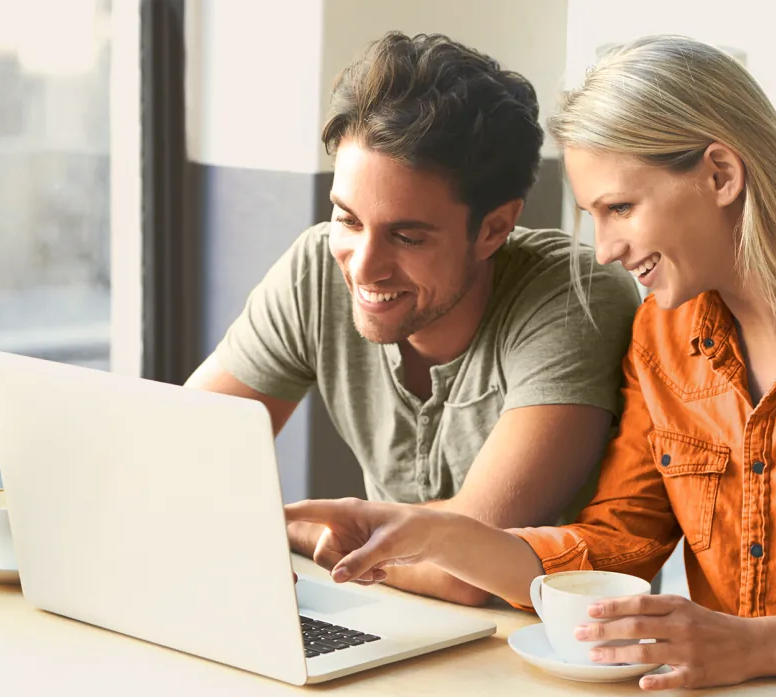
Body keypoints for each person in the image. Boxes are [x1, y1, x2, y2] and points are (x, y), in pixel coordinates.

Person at [284, 36, 776, 697]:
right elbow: (618, 544)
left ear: (721, 175)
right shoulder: (664, 338)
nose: (606, 249)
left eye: (619, 208)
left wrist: (750, 646)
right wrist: (433, 534)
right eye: (591, 216)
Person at [186, 33, 641, 606]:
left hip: (538, 641)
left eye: (406, 236)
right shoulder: (315, 269)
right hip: (388, 611)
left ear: (494, 229)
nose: (363, 267)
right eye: (347, 220)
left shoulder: (575, 295)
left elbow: (465, 568)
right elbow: (178, 454)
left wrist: (293, 529)